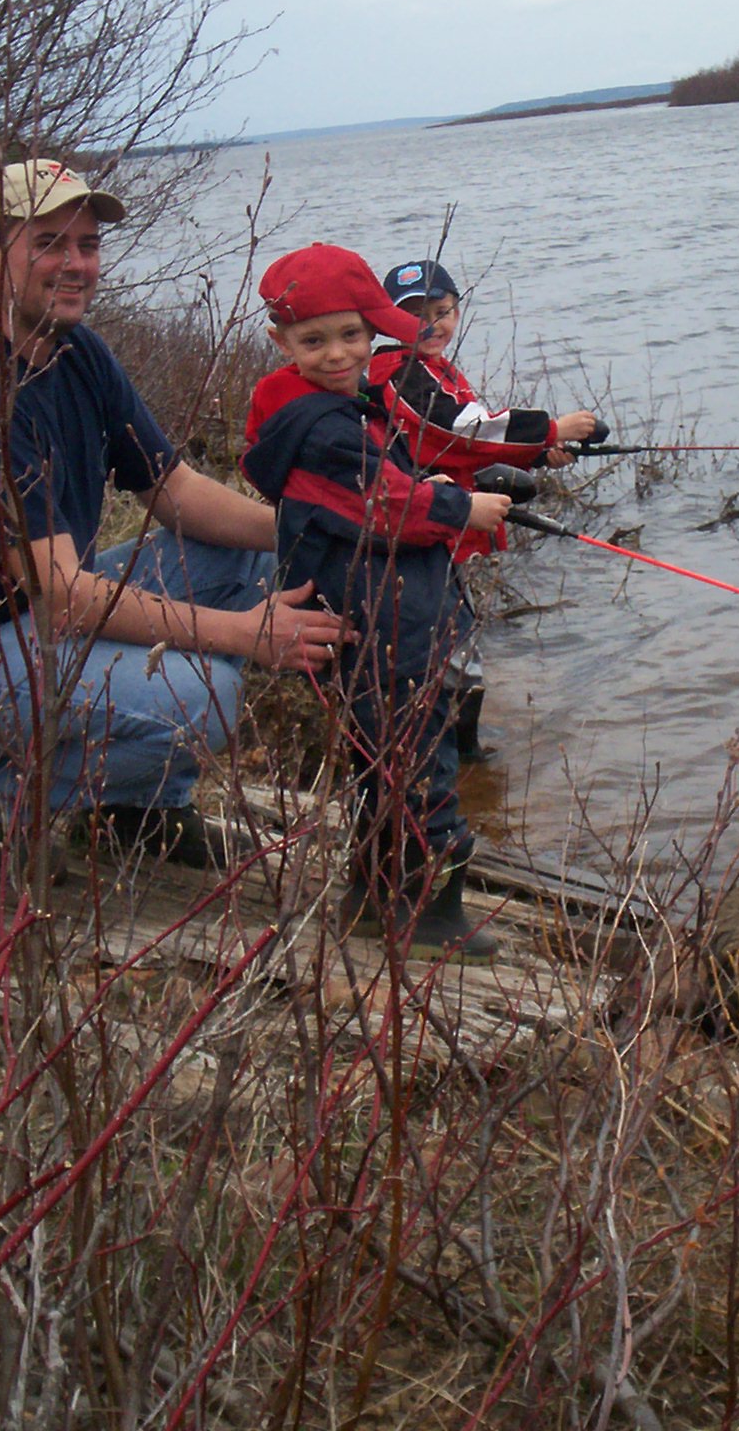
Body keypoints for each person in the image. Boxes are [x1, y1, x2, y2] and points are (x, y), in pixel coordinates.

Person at [0, 158, 350, 879]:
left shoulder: (73, 351)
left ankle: (141, 809)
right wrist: (247, 636)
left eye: (88, 245)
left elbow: (173, 490)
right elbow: (66, 598)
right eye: (49, 243)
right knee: (206, 697)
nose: (76, 264)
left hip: (16, 619)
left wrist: (316, 525)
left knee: (249, 563)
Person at [239, 243, 512, 962]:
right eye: (314, 340)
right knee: (418, 766)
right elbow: (391, 506)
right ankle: (424, 915)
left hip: (374, 614)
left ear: (372, 331)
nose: (338, 354)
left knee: (383, 763)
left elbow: (388, 476)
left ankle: (371, 897)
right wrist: (464, 509)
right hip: (384, 621)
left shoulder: (321, 406)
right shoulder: (324, 428)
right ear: (280, 342)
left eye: (353, 335)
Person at [365, 258, 604, 758]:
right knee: (449, 641)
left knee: (455, 634)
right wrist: (550, 429)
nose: (431, 324)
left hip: (441, 521)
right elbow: (463, 427)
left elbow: (467, 446)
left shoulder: (432, 368)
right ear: (386, 321)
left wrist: (537, 455)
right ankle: (457, 753)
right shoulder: (397, 372)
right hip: (419, 524)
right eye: (413, 314)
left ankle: (455, 750)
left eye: (442, 310)